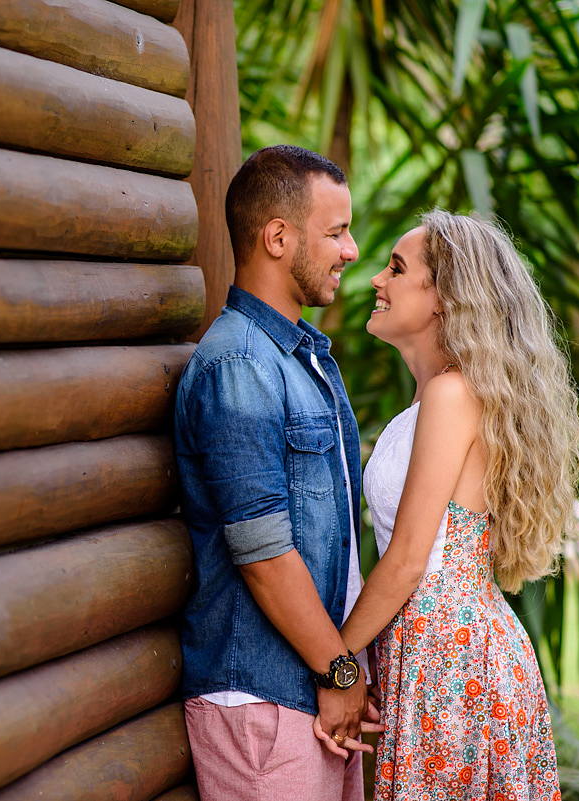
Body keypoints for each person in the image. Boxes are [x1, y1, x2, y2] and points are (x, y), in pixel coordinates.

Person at [317, 209, 579, 799]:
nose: (376, 281)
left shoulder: (452, 394)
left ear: (442, 298)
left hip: (449, 656)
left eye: (396, 269)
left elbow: (410, 558)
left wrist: (334, 664)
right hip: (436, 645)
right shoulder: (434, 399)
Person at [175, 144, 381, 801]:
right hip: (263, 702)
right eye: (336, 231)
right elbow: (262, 552)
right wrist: (341, 671)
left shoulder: (302, 358)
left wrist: (342, 674)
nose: (351, 250)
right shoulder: (237, 365)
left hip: (311, 693)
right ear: (277, 237)